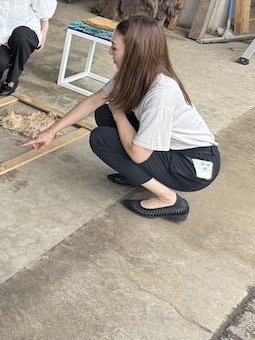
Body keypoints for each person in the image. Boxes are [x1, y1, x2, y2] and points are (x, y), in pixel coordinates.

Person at [23, 15, 220, 222]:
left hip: (191, 166)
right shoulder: (134, 73)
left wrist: (119, 114)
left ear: (135, 53)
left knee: (102, 138)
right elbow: (95, 100)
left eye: (114, 48)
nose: (110, 52)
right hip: (171, 150)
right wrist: (50, 132)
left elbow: (139, 154)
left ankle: (169, 199)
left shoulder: (161, 93)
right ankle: (138, 176)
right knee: (104, 112)